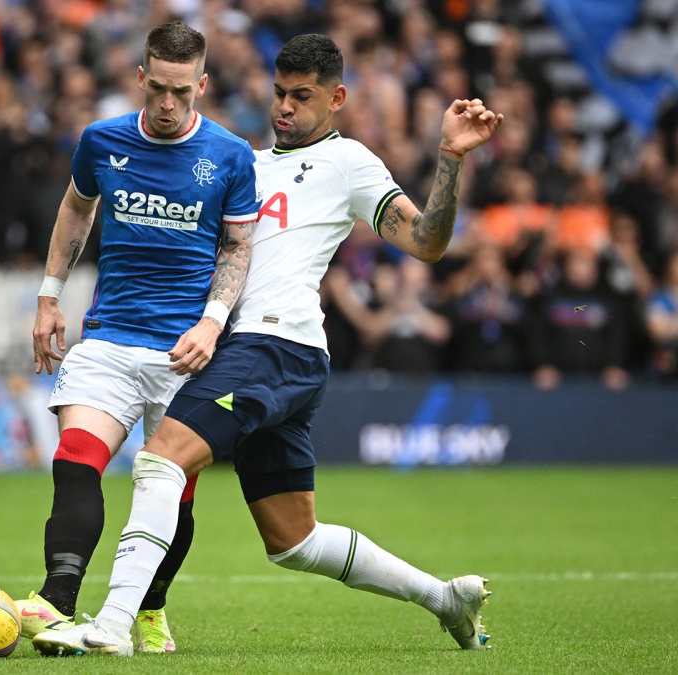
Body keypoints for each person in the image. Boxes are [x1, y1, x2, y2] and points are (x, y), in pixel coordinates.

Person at [32, 34, 504, 657]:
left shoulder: (348, 162)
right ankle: (446, 599)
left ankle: (114, 624)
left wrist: (449, 157)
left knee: (162, 457)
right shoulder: (239, 161)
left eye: (302, 97)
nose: (285, 107)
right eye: (279, 93)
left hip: (274, 343)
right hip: (249, 354)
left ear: (335, 98)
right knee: (293, 540)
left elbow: (427, 242)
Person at [19, 21, 260, 654]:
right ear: (140, 78)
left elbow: (238, 247)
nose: (168, 102)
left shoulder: (231, 155)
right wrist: (49, 295)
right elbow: (77, 208)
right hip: (109, 336)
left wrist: (213, 322)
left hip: (186, 350)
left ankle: (149, 608)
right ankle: (55, 601)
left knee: (170, 491)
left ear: (201, 84)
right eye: (157, 88)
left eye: (182, 91)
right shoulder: (101, 141)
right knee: (76, 459)